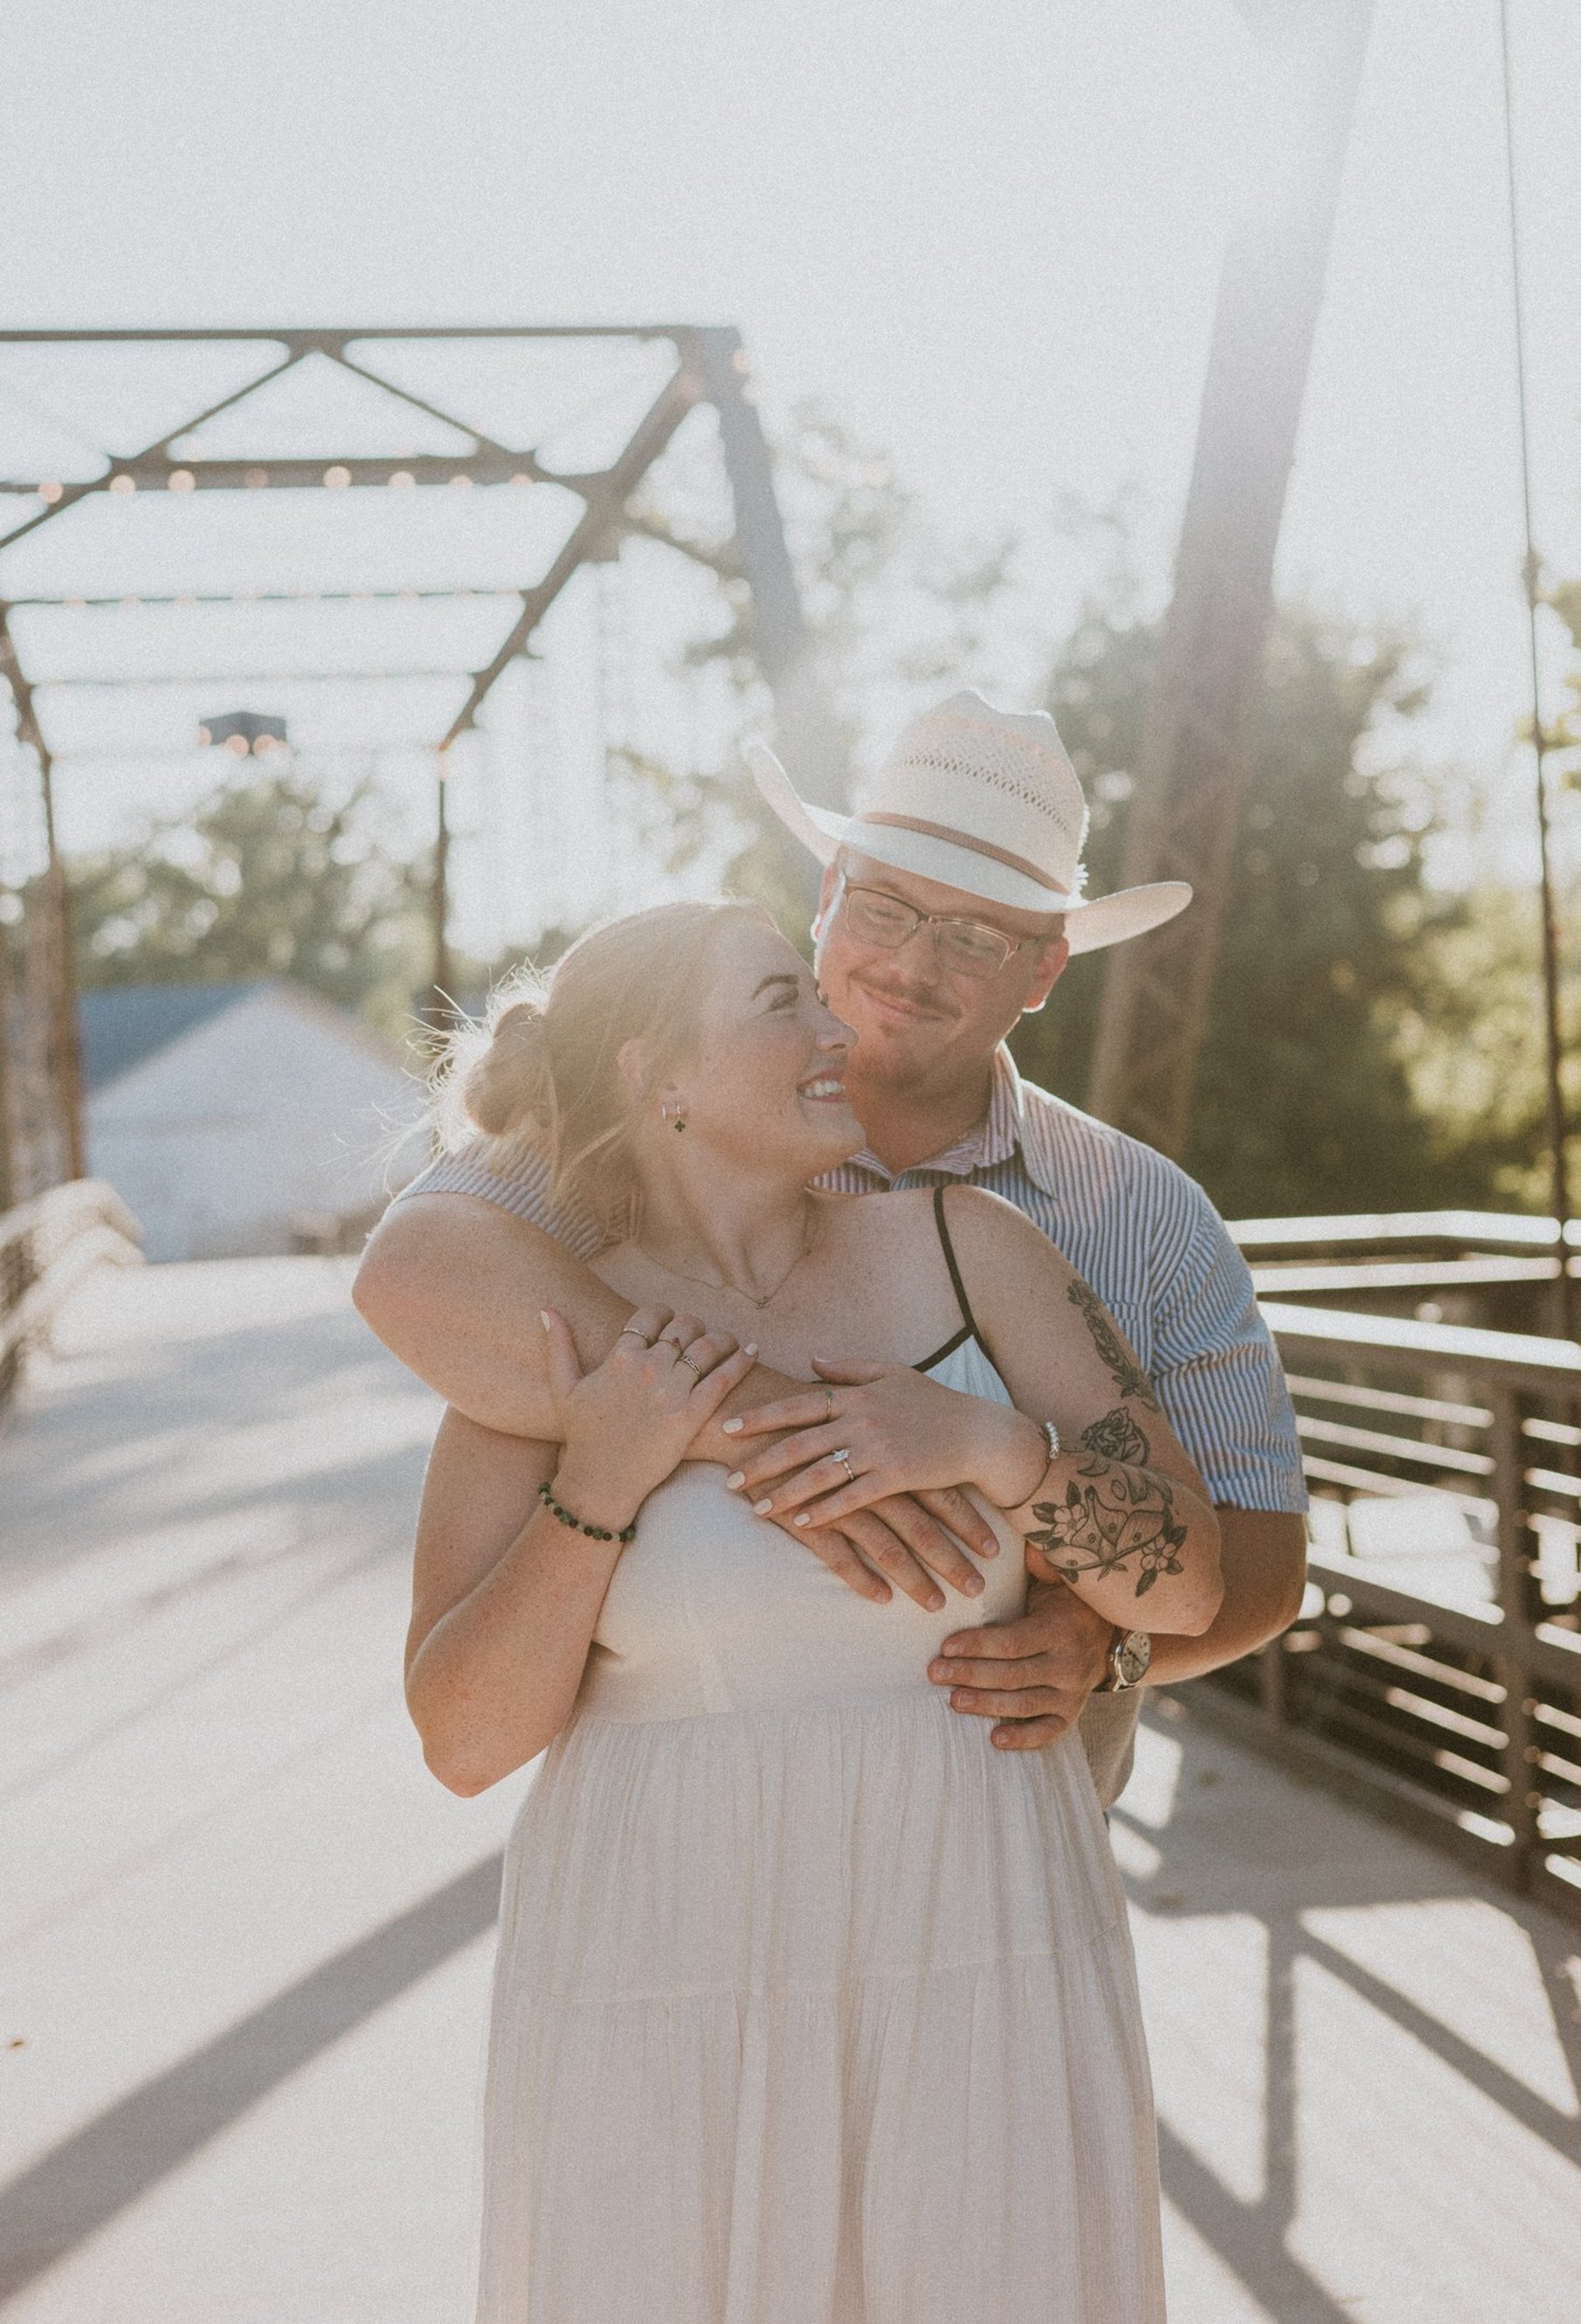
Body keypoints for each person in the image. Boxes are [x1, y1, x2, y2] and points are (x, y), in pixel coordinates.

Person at [405, 897, 1225, 2320]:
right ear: (654, 1071)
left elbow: (1187, 1574)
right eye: (782, 1001)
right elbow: (466, 1739)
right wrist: (602, 1476)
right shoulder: (549, 1329)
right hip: (666, 1975)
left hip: (979, 1944)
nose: (836, 1025)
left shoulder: (976, 1251)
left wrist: (986, 1446)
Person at [356, 691, 1308, 1803]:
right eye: (889, 908)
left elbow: (1255, 1566)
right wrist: (784, 1437)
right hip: (686, 1869)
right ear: (828, 896)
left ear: (1044, 972)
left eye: (974, 936)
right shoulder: (611, 1156)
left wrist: (1109, 1644)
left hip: (1008, 1872)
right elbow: (412, 1270)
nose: (911, 965)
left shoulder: (1142, 1216)